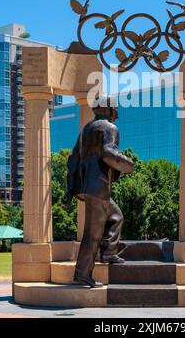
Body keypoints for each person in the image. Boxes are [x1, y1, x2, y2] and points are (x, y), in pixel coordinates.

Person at [63, 95, 134, 287]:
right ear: (109, 108)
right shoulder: (110, 128)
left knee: (116, 216)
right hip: (99, 187)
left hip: (87, 187)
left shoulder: (86, 129)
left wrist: (70, 190)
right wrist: (128, 164)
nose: (117, 113)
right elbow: (108, 153)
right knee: (93, 233)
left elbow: (73, 160)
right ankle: (82, 274)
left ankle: (109, 252)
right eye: (116, 108)